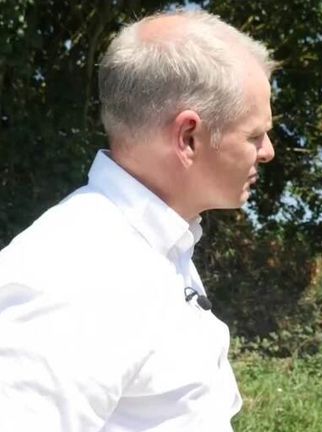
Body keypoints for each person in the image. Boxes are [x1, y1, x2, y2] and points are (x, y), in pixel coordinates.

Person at [0, 10, 275, 431]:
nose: (268, 150)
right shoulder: (76, 273)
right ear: (188, 138)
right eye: (254, 135)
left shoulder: (155, 247)